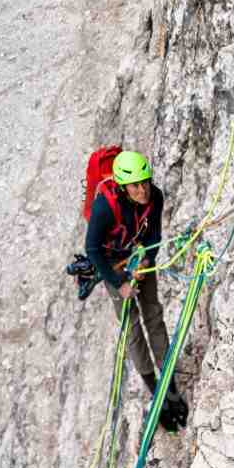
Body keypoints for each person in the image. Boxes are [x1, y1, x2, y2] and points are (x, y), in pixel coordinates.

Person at [83, 150, 189, 431]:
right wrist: (120, 284)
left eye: (145, 182)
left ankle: (171, 389)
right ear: (122, 187)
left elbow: (154, 235)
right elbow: (92, 249)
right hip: (114, 266)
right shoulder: (105, 208)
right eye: (136, 185)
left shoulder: (155, 196)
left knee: (154, 316)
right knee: (132, 328)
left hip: (138, 258)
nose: (143, 190)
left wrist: (146, 260)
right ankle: (156, 392)